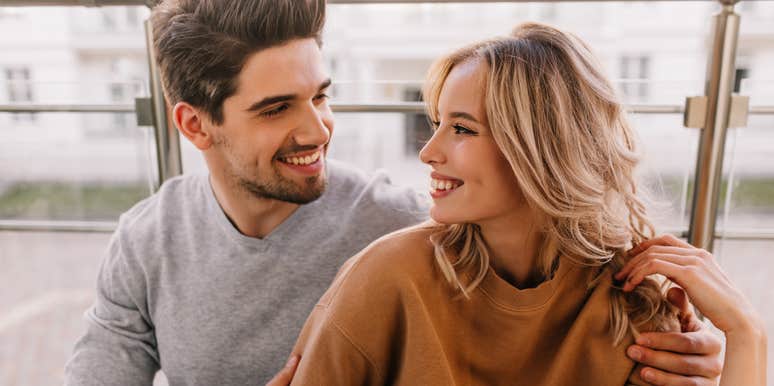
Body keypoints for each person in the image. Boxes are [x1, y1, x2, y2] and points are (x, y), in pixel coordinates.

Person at [64, 1, 725, 385]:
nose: (316, 127)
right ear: (194, 124)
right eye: (276, 109)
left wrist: (707, 351)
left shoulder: (407, 230)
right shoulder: (146, 241)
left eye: (321, 95)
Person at [286, 23, 757, 385]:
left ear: (542, 148)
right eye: (437, 122)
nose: (428, 152)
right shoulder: (387, 275)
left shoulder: (631, 302)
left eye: (463, 128)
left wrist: (747, 336)